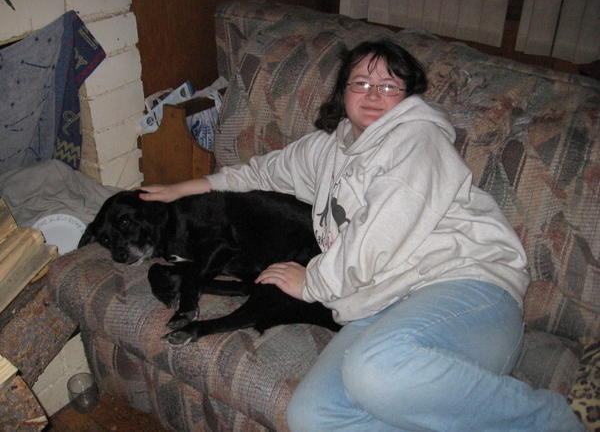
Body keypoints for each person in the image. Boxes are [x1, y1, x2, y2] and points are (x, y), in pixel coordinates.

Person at [141, 40, 583, 431]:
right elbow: (263, 172)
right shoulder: (327, 149)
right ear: (342, 92)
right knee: (313, 415)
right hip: (380, 302)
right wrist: (185, 187)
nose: (373, 95)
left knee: (376, 370)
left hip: (467, 288)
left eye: (390, 86)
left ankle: (554, 423)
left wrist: (312, 281)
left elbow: (379, 236)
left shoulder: (418, 142)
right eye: (361, 83)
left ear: (408, 98)